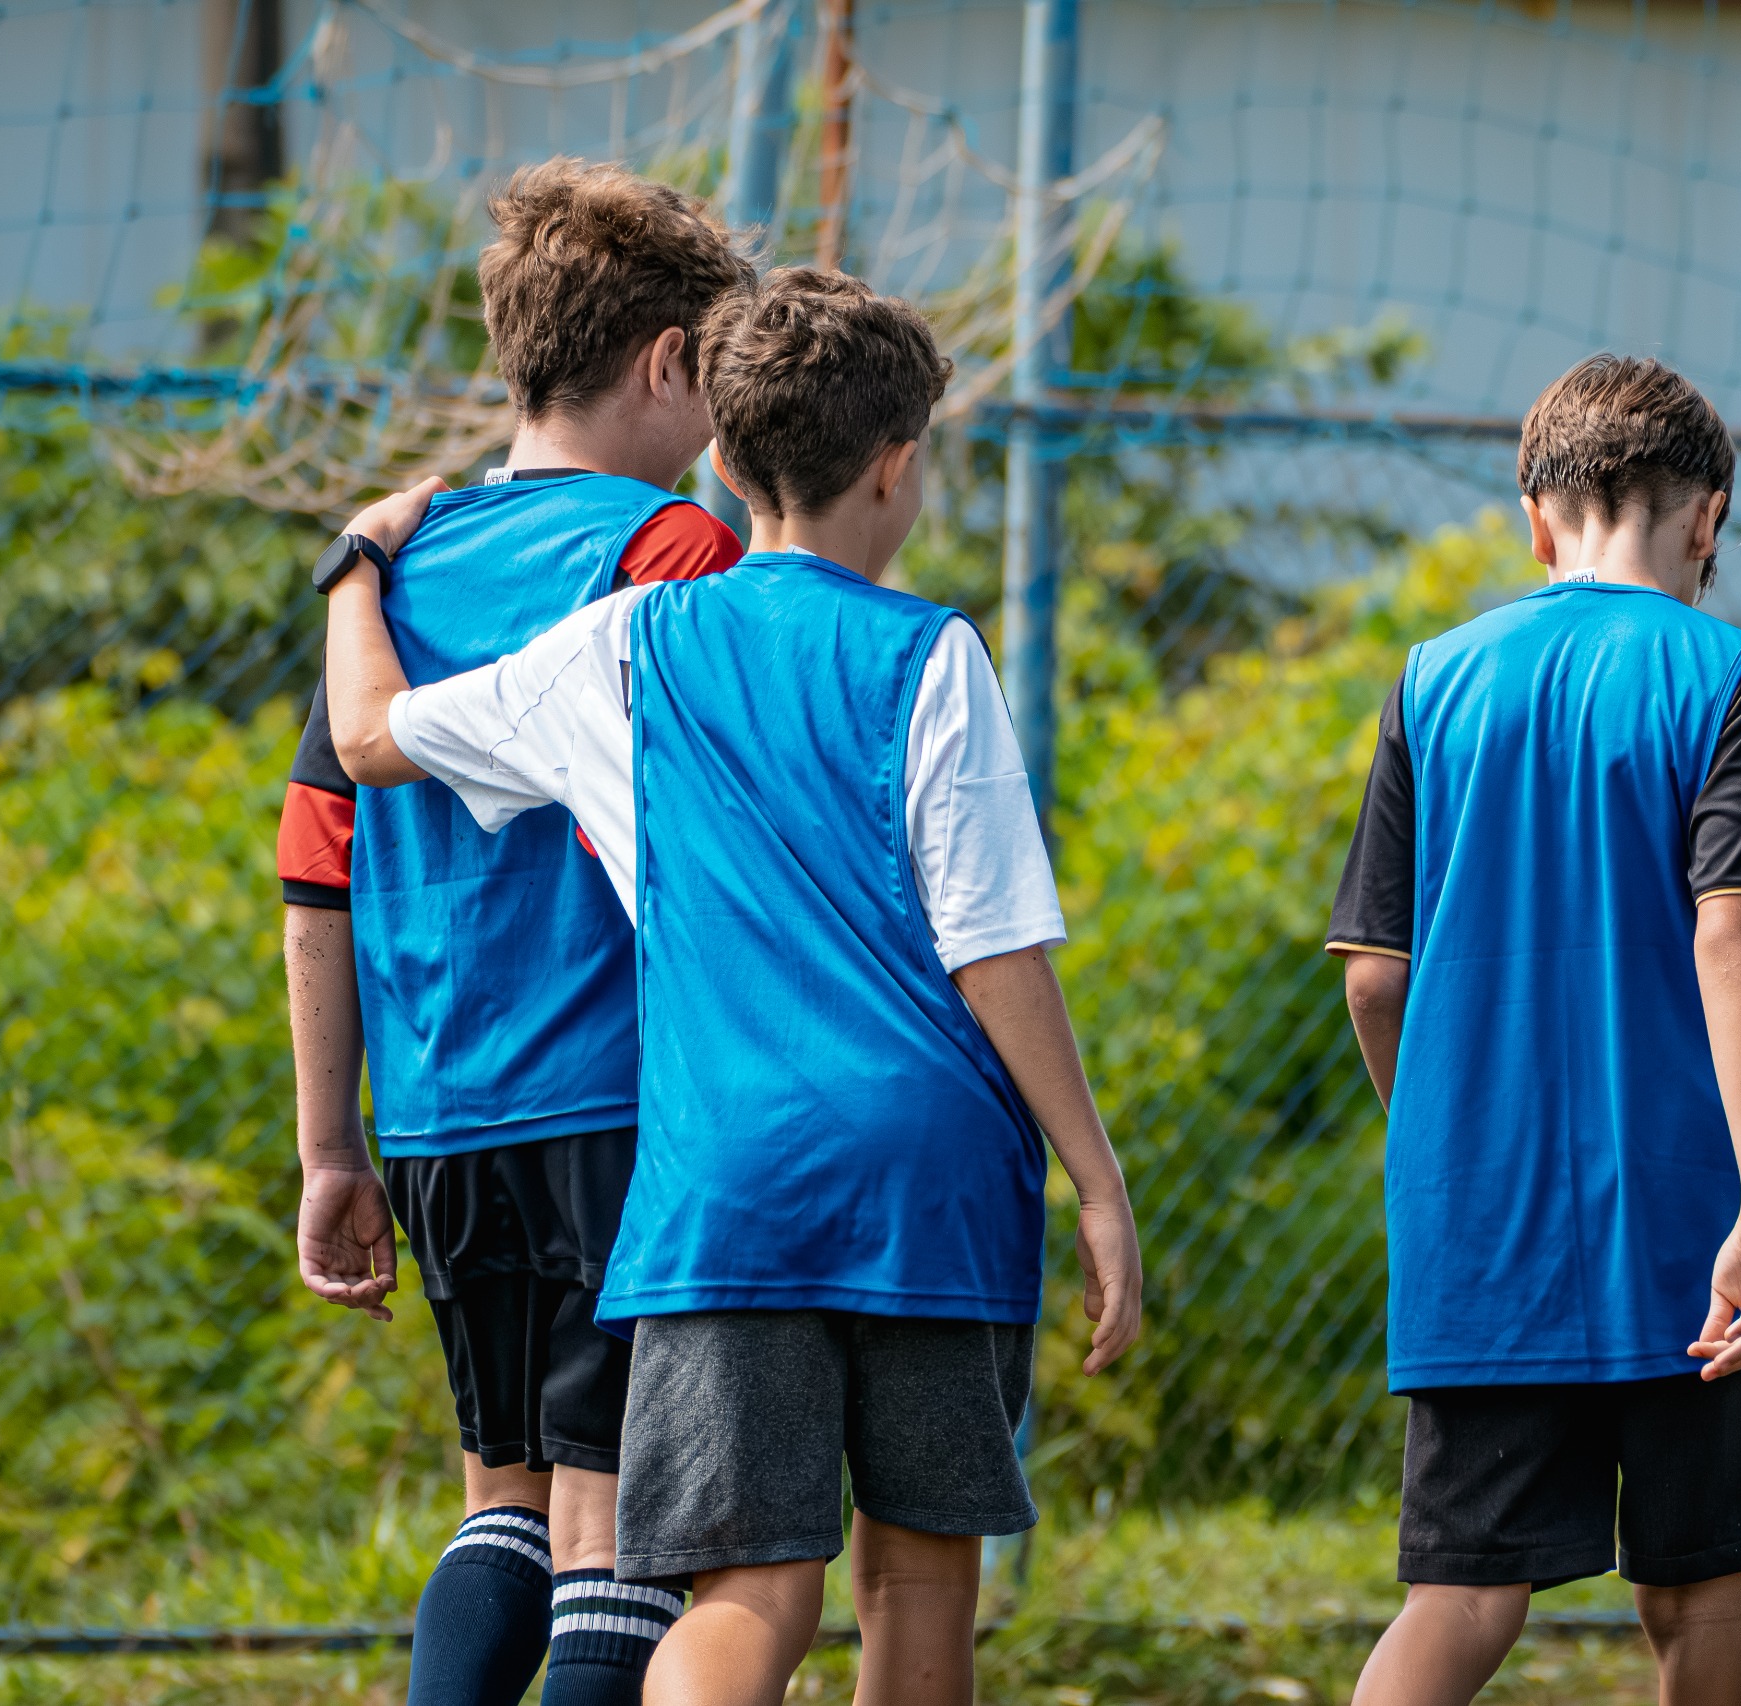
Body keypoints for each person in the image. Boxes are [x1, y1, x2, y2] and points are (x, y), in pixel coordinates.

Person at [315, 267, 1143, 1706]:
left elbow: (372, 735)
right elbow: (993, 947)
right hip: (930, 1182)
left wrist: (354, 566)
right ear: (898, 468)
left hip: (724, 1185)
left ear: (719, 457)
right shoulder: (934, 654)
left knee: (746, 1591)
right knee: (917, 1581)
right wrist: (1096, 1174)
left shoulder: (620, 649)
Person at [277, 157, 751, 1706]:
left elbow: (315, 879)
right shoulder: (672, 551)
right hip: (617, 1104)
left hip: (436, 1115)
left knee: (502, 1498)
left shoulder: (393, 567)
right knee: (618, 1525)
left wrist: (332, 1146)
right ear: (671, 361)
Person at [1326, 354, 1741, 1706]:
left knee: (1462, 1594)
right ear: (1710, 516)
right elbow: (1737, 930)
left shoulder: (1430, 681)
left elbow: (1378, 978)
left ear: (1535, 521)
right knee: (1700, 1600)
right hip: (1689, 1219)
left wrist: (1445, 1142)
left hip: (1483, 1222)